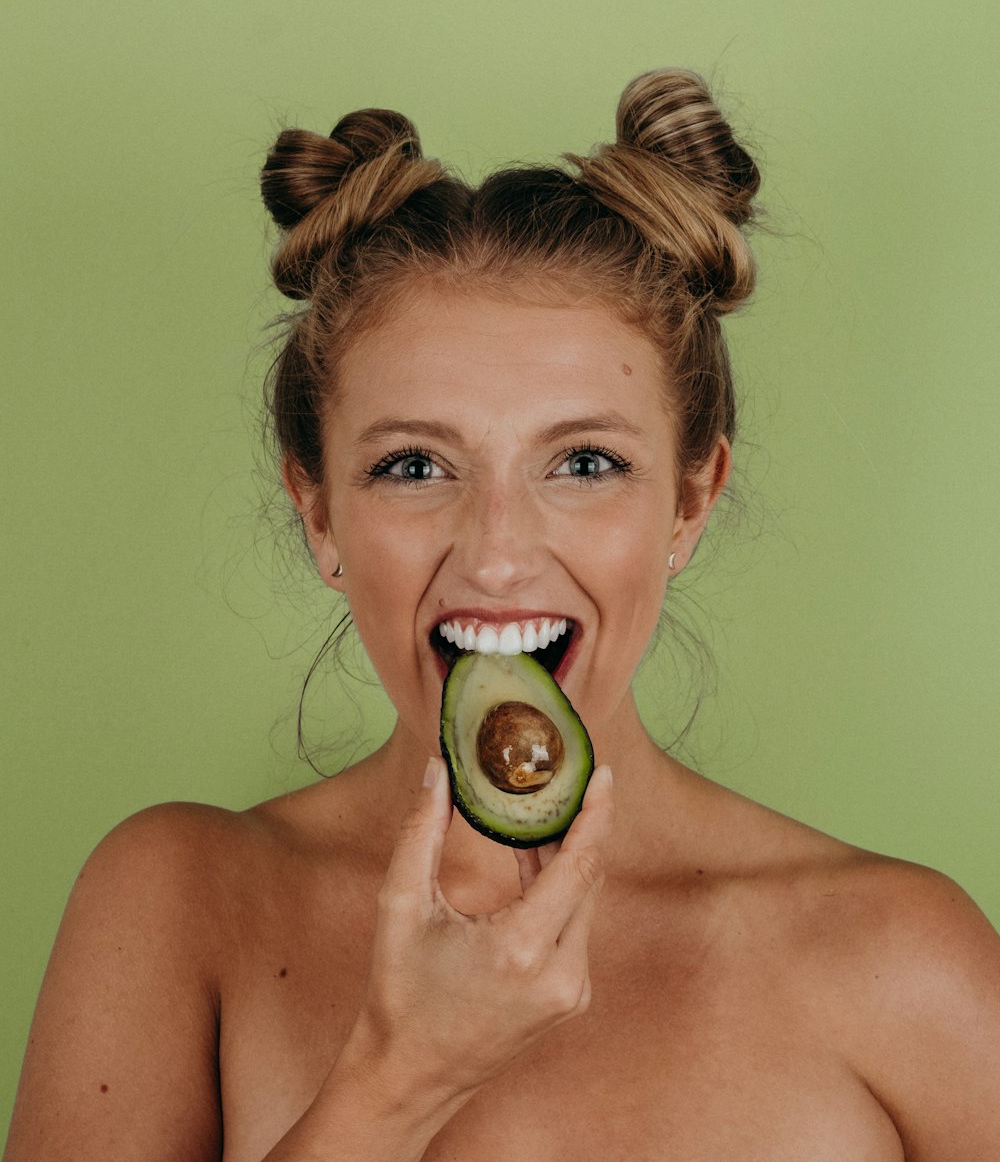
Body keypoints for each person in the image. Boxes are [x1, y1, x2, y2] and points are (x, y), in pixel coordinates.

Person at [6, 70, 1000, 1162]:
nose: (497, 553)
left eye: (584, 462)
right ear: (319, 511)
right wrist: (398, 1079)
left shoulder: (910, 962)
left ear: (689, 499)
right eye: (414, 464)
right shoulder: (176, 901)